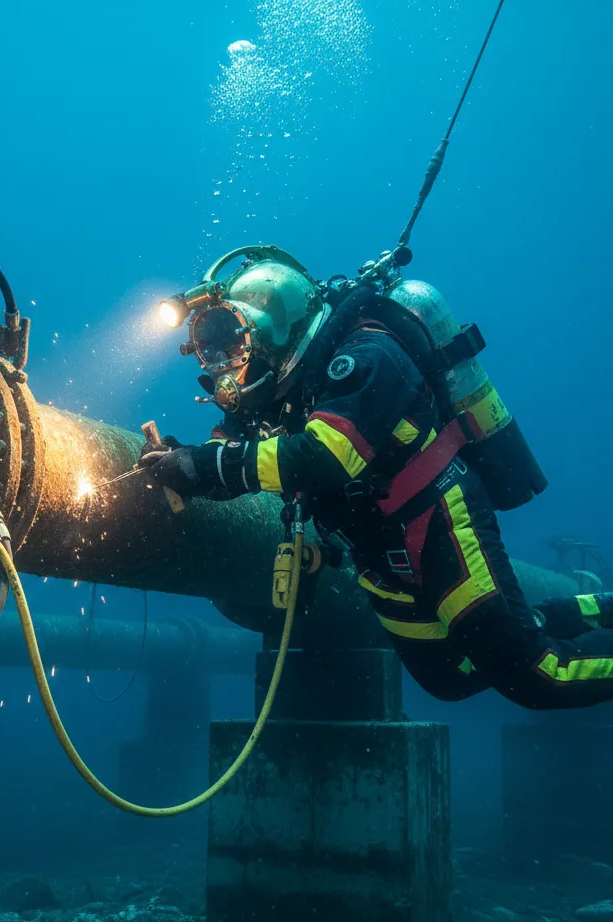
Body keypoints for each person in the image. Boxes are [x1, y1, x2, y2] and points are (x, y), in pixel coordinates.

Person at [145, 245, 613, 709]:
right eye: (210, 348)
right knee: (450, 676)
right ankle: (582, 611)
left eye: (232, 342)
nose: (223, 363)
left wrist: (203, 468)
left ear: (272, 334)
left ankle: (520, 638)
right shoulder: (273, 389)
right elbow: (230, 453)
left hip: (436, 519)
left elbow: (328, 456)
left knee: (537, 677)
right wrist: (181, 459)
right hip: (371, 547)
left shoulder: (367, 351)